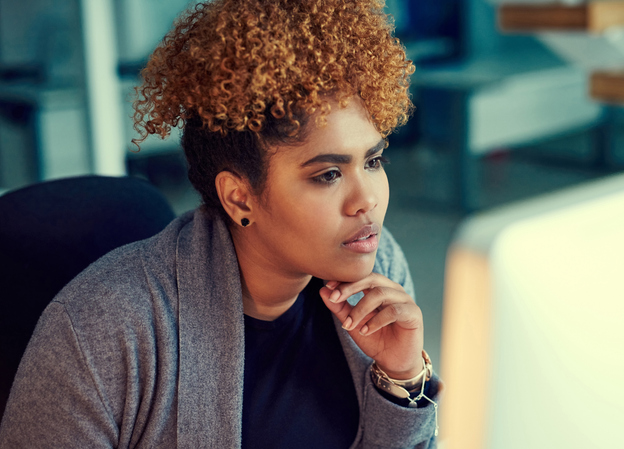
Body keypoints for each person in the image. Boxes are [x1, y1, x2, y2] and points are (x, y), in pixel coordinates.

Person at [0, 0, 440, 447]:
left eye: (373, 160)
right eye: (328, 174)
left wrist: (403, 379)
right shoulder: (103, 327)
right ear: (238, 196)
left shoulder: (377, 265)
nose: (367, 200)